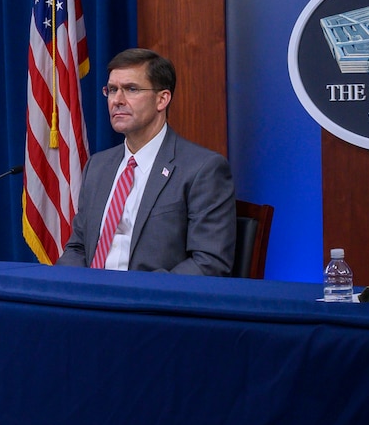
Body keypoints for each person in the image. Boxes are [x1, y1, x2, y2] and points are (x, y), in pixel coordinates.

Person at [57, 48, 236, 274]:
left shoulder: (203, 169)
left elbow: (209, 262)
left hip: (149, 303)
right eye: (112, 90)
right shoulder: (98, 166)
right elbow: (77, 248)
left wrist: (136, 295)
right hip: (91, 300)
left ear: (162, 99)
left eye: (131, 89)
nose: (117, 101)